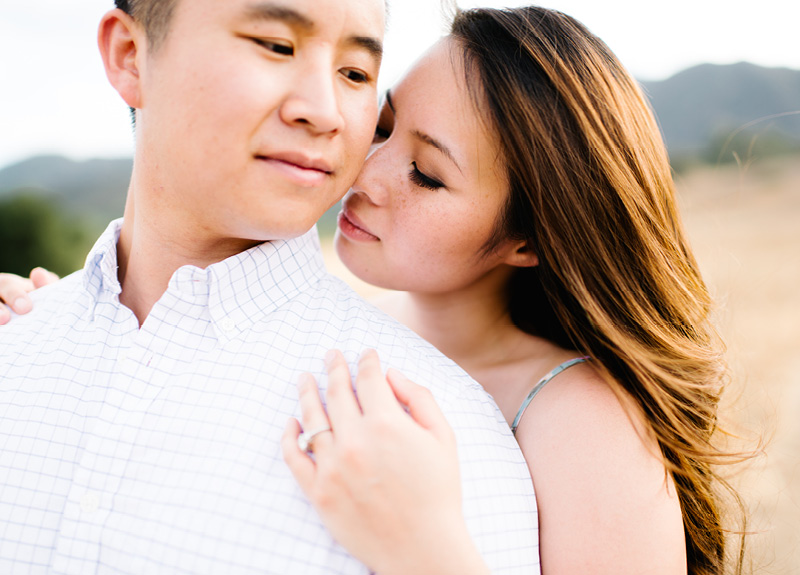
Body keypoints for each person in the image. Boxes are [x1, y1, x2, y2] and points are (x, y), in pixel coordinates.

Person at [0, 1, 542, 574]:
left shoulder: (442, 445)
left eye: (355, 73)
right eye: (276, 46)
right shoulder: (18, 337)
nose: (325, 112)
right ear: (130, 56)